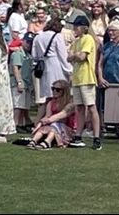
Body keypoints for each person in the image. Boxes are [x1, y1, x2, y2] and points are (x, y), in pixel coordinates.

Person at [67, 15, 100, 149]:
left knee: (91, 107)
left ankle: (97, 137)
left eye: (77, 26)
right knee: (79, 107)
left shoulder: (88, 39)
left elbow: (81, 56)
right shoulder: (76, 41)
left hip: (87, 77)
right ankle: (78, 135)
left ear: (85, 27)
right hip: (77, 78)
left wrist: (74, 55)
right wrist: (74, 55)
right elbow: (69, 57)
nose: (74, 28)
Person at [27, 79, 76, 149]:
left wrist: (43, 122)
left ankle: (47, 142)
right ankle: (33, 141)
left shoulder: (70, 104)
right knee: (48, 126)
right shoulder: (51, 103)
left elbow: (60, 116)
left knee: (54, 125)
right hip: (54, 126)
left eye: (57, 90)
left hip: (68, 129)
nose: (54, 91)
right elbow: (47, 116)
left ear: (64, 91)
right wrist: (39, 124)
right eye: (53, 89)